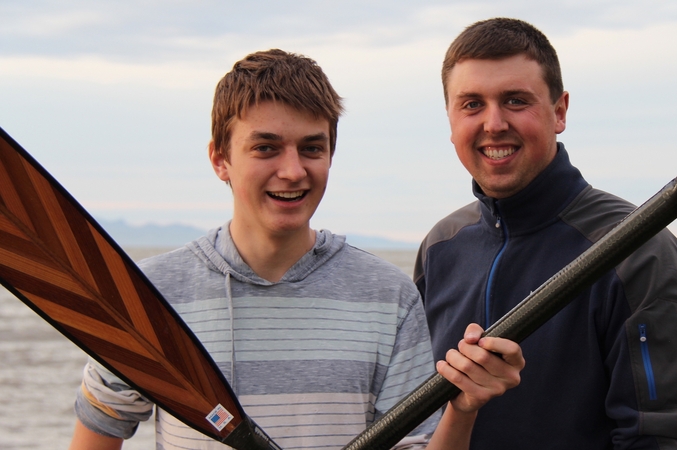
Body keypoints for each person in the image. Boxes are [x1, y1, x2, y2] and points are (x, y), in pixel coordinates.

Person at [68, 49, 524, 450]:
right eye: (266, 148)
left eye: (311, 148)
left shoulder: (387, 298)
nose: (292, 171)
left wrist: (462, 409)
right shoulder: (149, 295)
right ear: (219, 159)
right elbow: (98, 433)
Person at [415, 18, 677, 449]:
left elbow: (662, 439)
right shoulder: (442, 246)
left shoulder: (637, 252)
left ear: (560, 111)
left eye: (515, 101)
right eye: (472, 104)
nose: (493, 124)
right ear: (450, 118)